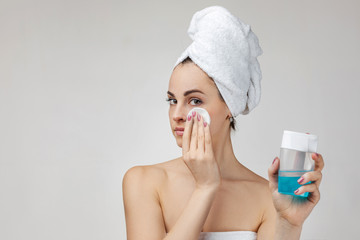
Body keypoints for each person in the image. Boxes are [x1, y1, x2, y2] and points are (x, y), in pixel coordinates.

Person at [122, 6, 324, 240]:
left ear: (230, 106)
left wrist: (289, 224)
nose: (177, 113)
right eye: (172, 100)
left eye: (194, 100)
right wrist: (205, 188)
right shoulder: (144, 182)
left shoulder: (267, 198)